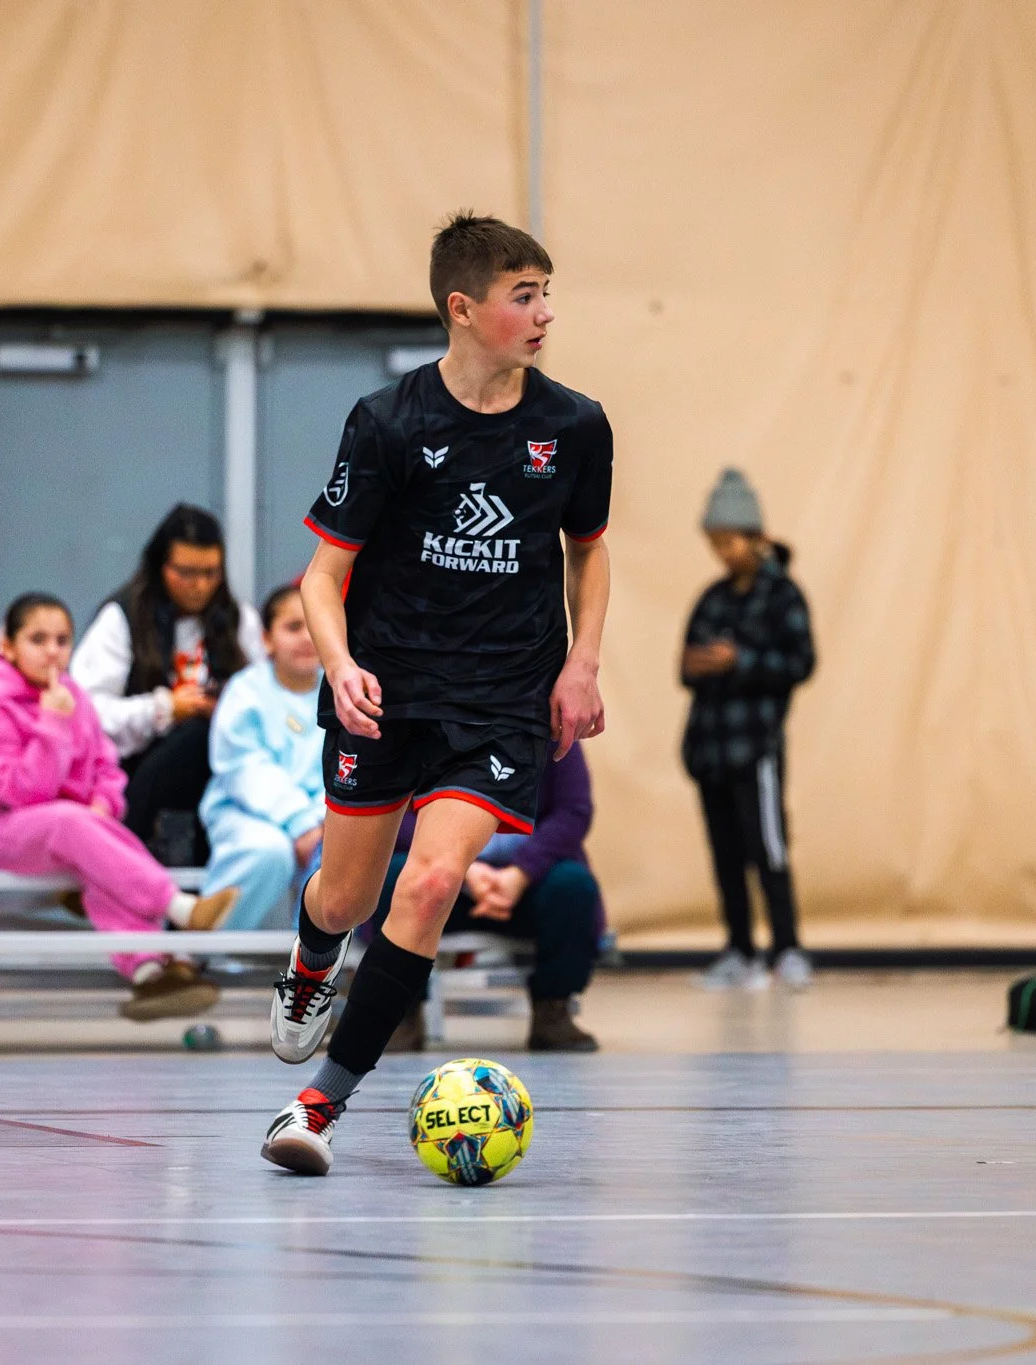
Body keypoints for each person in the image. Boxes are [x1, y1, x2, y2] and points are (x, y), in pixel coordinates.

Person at [259, 211, 613, 1176]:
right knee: (345, 896)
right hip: (387, 689)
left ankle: (314, 1108)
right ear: (463, 309)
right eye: (523, 296)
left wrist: (581, 663)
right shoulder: (388, 423)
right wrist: (338, 664)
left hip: (501, 697)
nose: (545, 313)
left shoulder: (573, 425)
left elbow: (588, 550)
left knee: (430, 882)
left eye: (547, 293)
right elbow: (321, 578)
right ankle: (307, 965)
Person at [0, 593, 236, 1018]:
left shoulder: (73, 696)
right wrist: (52, 727)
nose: (51, 651)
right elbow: (17, 793)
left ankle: (148, 973)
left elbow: (107, 768)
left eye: (62, 640)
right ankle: (178, 906)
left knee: (89, 841)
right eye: (37, 639)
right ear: (6, 645)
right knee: (72, 825)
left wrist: (102, 804)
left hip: (63, 828)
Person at [679, 469, 817, 991]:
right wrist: (702, 663)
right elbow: (685, 667)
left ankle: (787, 948)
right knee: (725, 853)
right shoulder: (712, 598)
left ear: (756, 537)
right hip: (709, 748)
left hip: (755, 748)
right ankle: (739, 948)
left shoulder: (783, 597)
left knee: (768, 848)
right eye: (713, 543)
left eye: (729, 541)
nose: (721, 552)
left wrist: (741, 660)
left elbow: (801, 662)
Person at [373, 743, 603, 1052]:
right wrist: (461, 869)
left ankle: (553, 1011)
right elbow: (394, 810)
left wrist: (521, 872)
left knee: (573, 887)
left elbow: (573, 811)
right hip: (441, 871)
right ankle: (400, 1014)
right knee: (395, 879)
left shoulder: (552, 724)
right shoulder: (423, 715)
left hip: (525, 879)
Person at [69, 504, 264, 864]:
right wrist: (165, 708)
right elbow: (85, 712)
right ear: (161, 567)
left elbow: (266, 700)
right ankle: (117, 856)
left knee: (208, 738)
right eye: (186, 572)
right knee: (194, 737)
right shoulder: (122, 618)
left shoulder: (239, 620)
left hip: (221, 774)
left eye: (210, 573)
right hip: (134, 768)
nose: (200, 585)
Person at [199, 583, 326, 930]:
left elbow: (349, 767)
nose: (306, 637)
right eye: (293, 627)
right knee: (268, 851)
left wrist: (318, 821)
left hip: (323, 819)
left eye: (315, 625)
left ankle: (319, 964)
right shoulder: (245, 691)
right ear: (267, 639)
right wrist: (301, 821)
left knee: (343, 851)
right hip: (245, 812)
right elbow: (242, 767)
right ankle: (198, 954)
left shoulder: (340, 689)